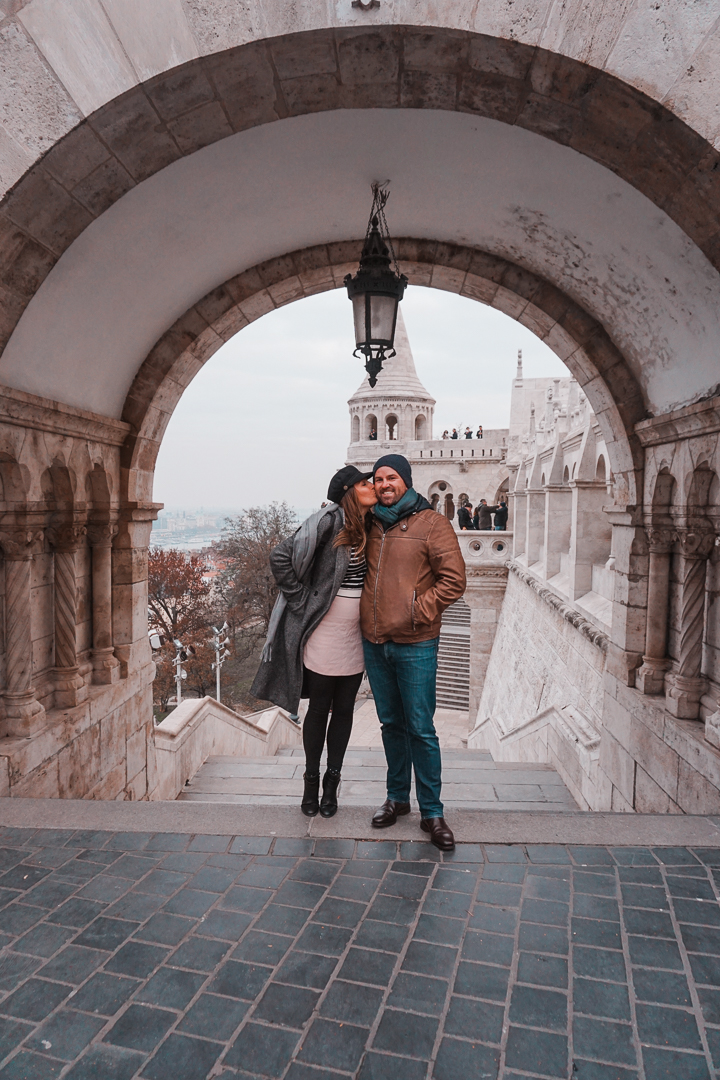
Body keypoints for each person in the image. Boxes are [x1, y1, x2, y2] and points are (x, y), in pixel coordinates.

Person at [252, 466, 377, 819]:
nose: (373, 488)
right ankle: (310, 779)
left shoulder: (374, 525)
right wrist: (301, 600)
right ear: (350, 490)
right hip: (323, 632)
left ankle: (332, 782)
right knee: (320, 706)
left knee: (346, 708)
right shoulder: (328, 522)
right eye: (366, 483)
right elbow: (280, 556)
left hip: (357, 635)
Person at [361, 453, 466, 851]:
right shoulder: (370, 525)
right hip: (375, 643)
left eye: (392, 478)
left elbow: (454, 581)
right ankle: (396, 799)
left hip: (416, 643)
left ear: (406, 480)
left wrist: (415, 612)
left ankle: (433, 813)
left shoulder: (432, 525)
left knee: (421, 727)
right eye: (378, 479)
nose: (385, 484)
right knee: (391, 724)